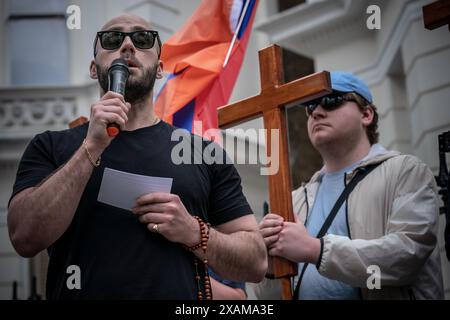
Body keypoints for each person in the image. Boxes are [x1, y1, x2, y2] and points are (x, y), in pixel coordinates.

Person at [7, 13, 267, 299]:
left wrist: (194, 231)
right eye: (112, 39)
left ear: (159, 69)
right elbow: (24, 238)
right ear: (94, 69)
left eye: (143, 39)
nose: (128, 45)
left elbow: (256, 263)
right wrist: (91, 147)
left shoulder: (203, 154)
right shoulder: (51, 147)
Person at [257, 71, 444, 300]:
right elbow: (268, 299)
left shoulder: (405, 170)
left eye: (331, 101)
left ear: (366, 114)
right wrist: (267, 263)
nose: (316, 112)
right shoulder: (294, 199)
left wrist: (315, 249)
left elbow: (407, 254)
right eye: (310, 107)